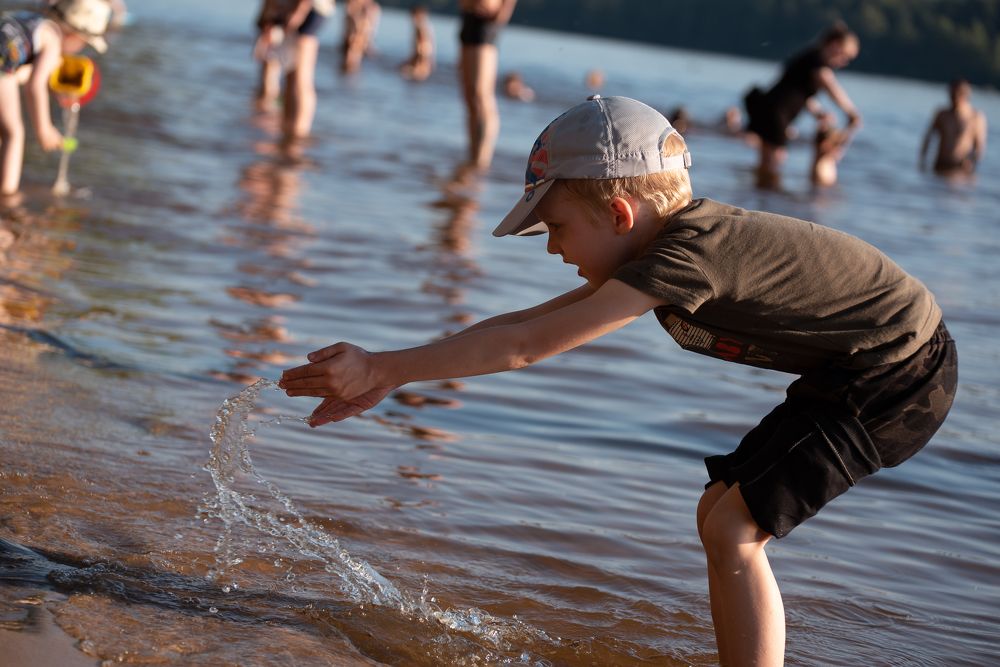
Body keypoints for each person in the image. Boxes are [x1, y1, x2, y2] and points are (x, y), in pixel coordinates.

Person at [278, 96, 956, 664]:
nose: (551, 246)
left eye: (557, 225)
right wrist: (389, 373)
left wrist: (383, 367)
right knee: (718, 509)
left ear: (620, 214)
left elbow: (524, 346)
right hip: (863, 362)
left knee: (733, 532)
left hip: (899, 371)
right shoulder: (673, 246)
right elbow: (522, 320)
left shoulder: (689, 254)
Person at [0, 0, 112, 199]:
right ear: (74, 35)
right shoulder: (53, 39)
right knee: (13, 133)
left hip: (5, 62)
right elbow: (34, 87)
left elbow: (21, 70)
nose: (80, 49)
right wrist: (45, 129)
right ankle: (8, 197)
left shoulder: (32, 20)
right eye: (84, 44)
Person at [744, 22, 862, 189]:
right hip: (776, 113)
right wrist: (851, 112)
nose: (844, 62)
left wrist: (817, 112)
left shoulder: (810, 58)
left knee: (767, 161)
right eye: (845, 56)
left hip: (770, 108)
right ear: (835, 45)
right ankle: (765, 195)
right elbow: (830, 86)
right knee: (775, 159)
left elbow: (800, 94)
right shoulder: (817, 62)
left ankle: (759, 192)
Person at [253, 0, 334, 138]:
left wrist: (297, 11)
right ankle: (289, 131)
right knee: (291, 75)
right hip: (296, 8)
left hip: (306, 8)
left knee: (300, 77)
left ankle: (297, 134)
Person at [457, 0, 516, 169]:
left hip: (487, 21)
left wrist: (502, 15)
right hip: (468, 17)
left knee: (481, 94)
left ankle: (481, 160)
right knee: (469, 95)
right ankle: (472, 155)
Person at [919, 78, 987, 177]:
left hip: (960, 169)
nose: (954, 96)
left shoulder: (976, 117)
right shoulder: (942, 114)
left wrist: (971, 162)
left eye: (958, 93)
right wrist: (922, 161)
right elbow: (928, 138)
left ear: (966, 94)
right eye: (952, 93)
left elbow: (979, 148)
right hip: (940, 165)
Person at [810, 111, 852, 187]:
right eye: (837, 146)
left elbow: (844, 139)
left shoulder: (828, 160)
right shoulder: (821, 168)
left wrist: (851, 126)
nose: (840, 150)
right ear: (825, 146)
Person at [399, 4, 433, 82]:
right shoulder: (427, 28)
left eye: (412, 16)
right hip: (424, 65)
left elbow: (421, 50)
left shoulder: (420, 30)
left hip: (420, 65)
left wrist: (414, 64)